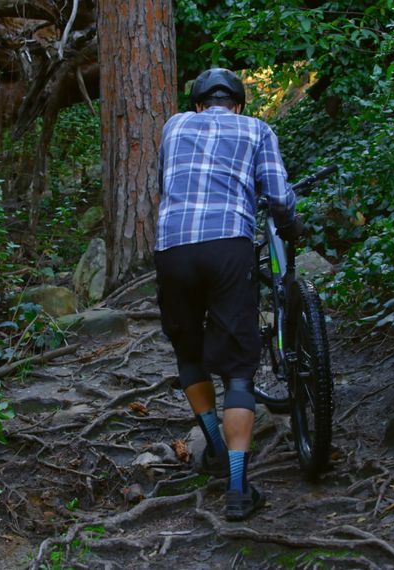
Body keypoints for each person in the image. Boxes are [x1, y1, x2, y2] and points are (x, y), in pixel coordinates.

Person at [154, 68, 304, 522]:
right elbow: (277, 197)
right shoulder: (257, 128)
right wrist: (294, 224)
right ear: (238, 104)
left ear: (198, 104)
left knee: (187, 347)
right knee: (239, 371)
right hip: (228, 246)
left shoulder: (174, 125)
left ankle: (214, 446)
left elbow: (166, 184)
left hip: (173, 246)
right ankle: (238, 488)